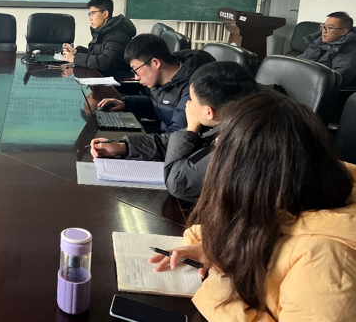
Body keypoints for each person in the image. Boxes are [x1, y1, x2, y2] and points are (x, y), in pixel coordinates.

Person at [149, 91, 356, 321]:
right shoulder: (290, 201)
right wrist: (214, 249)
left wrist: (221, 290)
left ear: (248, 179)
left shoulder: (326, 260)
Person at [91, 61, 257, 203]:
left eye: (192, 100)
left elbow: (178, 183)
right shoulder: (234, 118)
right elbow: (175, 143)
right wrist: (125, 147)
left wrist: (191, 128)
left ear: (209, 112)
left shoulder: (240, 144)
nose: (188, 105)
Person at [98, 34, 215, 133]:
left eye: (136, 70)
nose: (136, 77)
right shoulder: (161, 79)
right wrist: (126, 103)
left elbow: (176, 135)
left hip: (173, 144)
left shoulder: (191, 89)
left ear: (155, 63)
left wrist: (127, 145)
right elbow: (161, 105)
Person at [62, 0, 136, 77]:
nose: (90, 18)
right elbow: (98, 55)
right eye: (89, 14)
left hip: (115, 81)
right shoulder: (105, 31)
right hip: (102, 77)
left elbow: (106, 62)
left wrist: (75, 59)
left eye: (93, 13)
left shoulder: (117, 35)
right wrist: (76, 52)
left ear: (105, 14)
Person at [298, 11, 356, 87]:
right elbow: (298, 63)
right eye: (323, 26)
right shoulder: (317, 44)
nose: (324, 31)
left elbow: (336, 80)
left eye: (329, 27)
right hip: (299, 81)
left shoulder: (349, 51)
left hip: (315, 88)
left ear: (343, 31)